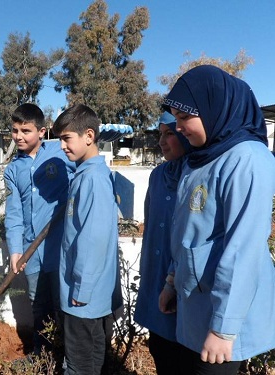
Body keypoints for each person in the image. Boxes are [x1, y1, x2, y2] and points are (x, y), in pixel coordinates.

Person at [159, 65, 275, 375]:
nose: (178, 126)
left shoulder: (247, 159)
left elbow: (244, 249)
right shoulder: (198, 159)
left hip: (224, 322)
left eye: (185, 117)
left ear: (215, 107)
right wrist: (172, 281)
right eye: (176, 118)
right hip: (196, 310)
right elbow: (186, 232)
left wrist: (224, 329)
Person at [52, 104, 122, 374]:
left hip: (83, 299)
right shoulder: (84, 174)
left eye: (66, 138)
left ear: (89, 136)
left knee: (81, 366)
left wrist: (81, 288)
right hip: (82, 295)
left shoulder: (93, 179)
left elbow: (93, 239)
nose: (61, 146)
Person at [4, 103, 74, 356]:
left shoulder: (60, 153)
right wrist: (15, 250)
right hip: (30, 250)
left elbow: (84, 173)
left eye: (26, 130)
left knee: (63, 304)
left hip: (60, 248)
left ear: (42, 131)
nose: (19, 136)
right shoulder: (13, 170)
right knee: (37, 304)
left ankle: (67, 358)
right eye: (15, 130)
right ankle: (41, 355)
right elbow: (13, 213)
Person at [134, 112, 191, 375]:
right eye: (160, 134)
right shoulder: (157, 176)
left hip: (185, 283)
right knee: (160, 349)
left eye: (169, 133)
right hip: (156, 278)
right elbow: (150, 231)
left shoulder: (200, 177)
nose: (161, 142)